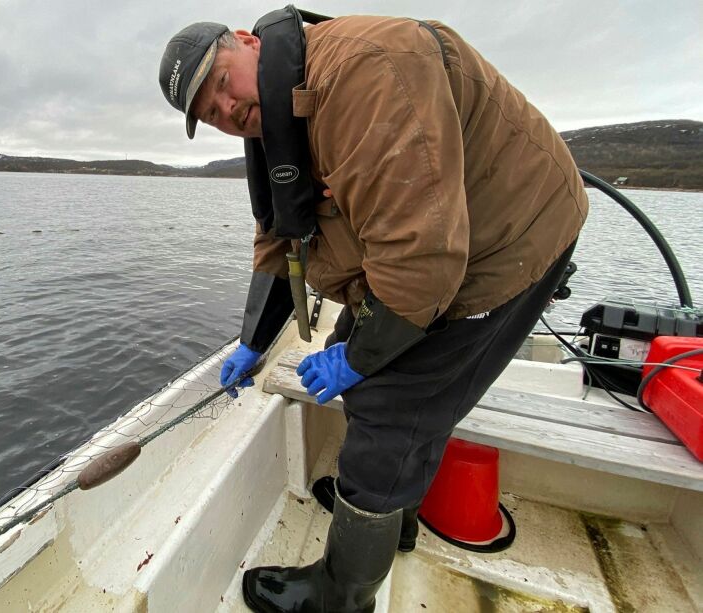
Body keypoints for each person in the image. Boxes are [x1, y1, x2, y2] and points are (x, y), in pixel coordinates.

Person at [159, 6, 587, 613]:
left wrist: (358, 359)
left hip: (510, 236)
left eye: (222, 84)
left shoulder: (365, 72)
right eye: (210, 113)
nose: (226, 111)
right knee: (370, 366)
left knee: (390, 403)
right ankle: (393, 514)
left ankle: (340, 596)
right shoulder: (272, 118)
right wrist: (253, 338)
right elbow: (281, 237)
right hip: (428, 252)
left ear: (250, 43)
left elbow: (423, 263)